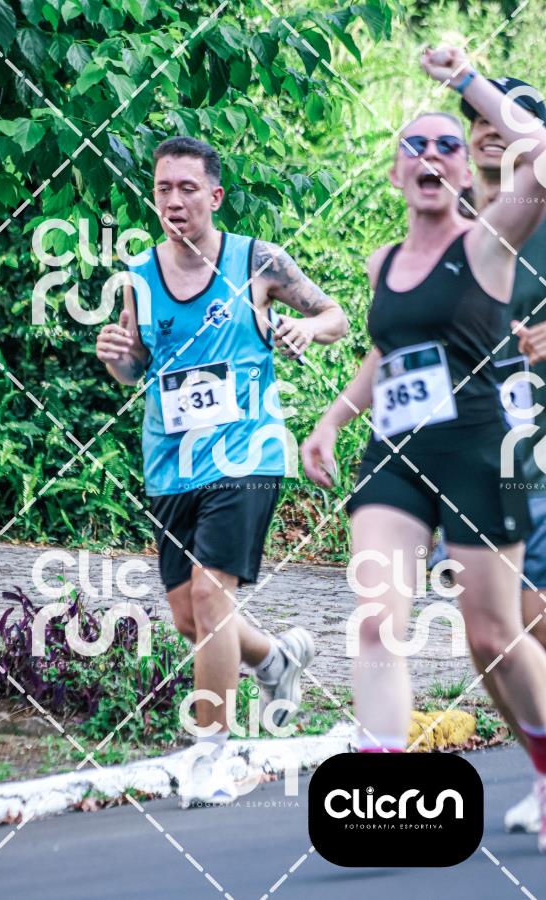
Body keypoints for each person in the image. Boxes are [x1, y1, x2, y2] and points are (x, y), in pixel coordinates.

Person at [302, 48, 546, 853]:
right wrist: (331, 421)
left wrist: (466, 80)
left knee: (494, 634)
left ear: (465, 170)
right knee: (376, 623)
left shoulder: (490, 243)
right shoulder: (383, 262)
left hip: (478, 451)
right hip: (396, 457)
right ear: (397, 171)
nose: (433, 155)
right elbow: (389, 356)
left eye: (448, 144)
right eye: (417, 145)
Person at [96, 136, 348, 806]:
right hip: (171, 463)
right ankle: (274, 658)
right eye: (163, 189)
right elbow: (134, 368)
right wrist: (116, 355)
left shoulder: (257, 261)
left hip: (248, 453)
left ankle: (211, 752)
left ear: (215, 195)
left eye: (187, 188)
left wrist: (306, 330)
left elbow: (337, 316)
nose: (174, 201)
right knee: (190, 615)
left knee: (212, 598)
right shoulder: (139, 275)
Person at [459, 77, 546, 835]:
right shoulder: (448, 219)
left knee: (527, 616)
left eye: (505, 117)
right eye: (475, 118)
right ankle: (541, 773)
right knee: (487, 636)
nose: (487, 128)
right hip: (479, 456)